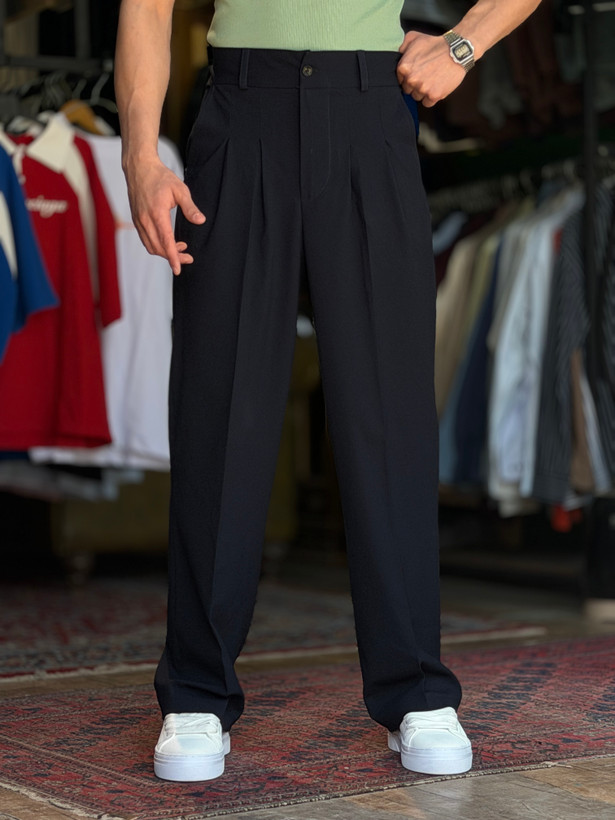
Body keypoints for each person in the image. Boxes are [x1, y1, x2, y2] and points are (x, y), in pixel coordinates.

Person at [115, 0, 542, 783]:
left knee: (389, 412)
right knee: (220, 408)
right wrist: (139, 155)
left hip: (368, 113)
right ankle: (197, 693)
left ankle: (417, 689)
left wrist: (463, 44)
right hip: (241, 113)